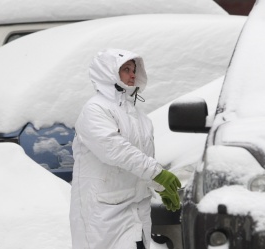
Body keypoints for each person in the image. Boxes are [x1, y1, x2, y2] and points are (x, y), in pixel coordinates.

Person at [69, 48, 181, 249]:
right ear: (108, 72)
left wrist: (159, 186)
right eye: (126, 69)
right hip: (102, 213)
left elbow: (139, 160)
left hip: (136, 211)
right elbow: (114, 149)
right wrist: (158, 174)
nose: (132, 75)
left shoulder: (139, 117)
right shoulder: (95, 109)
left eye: (134, 70)